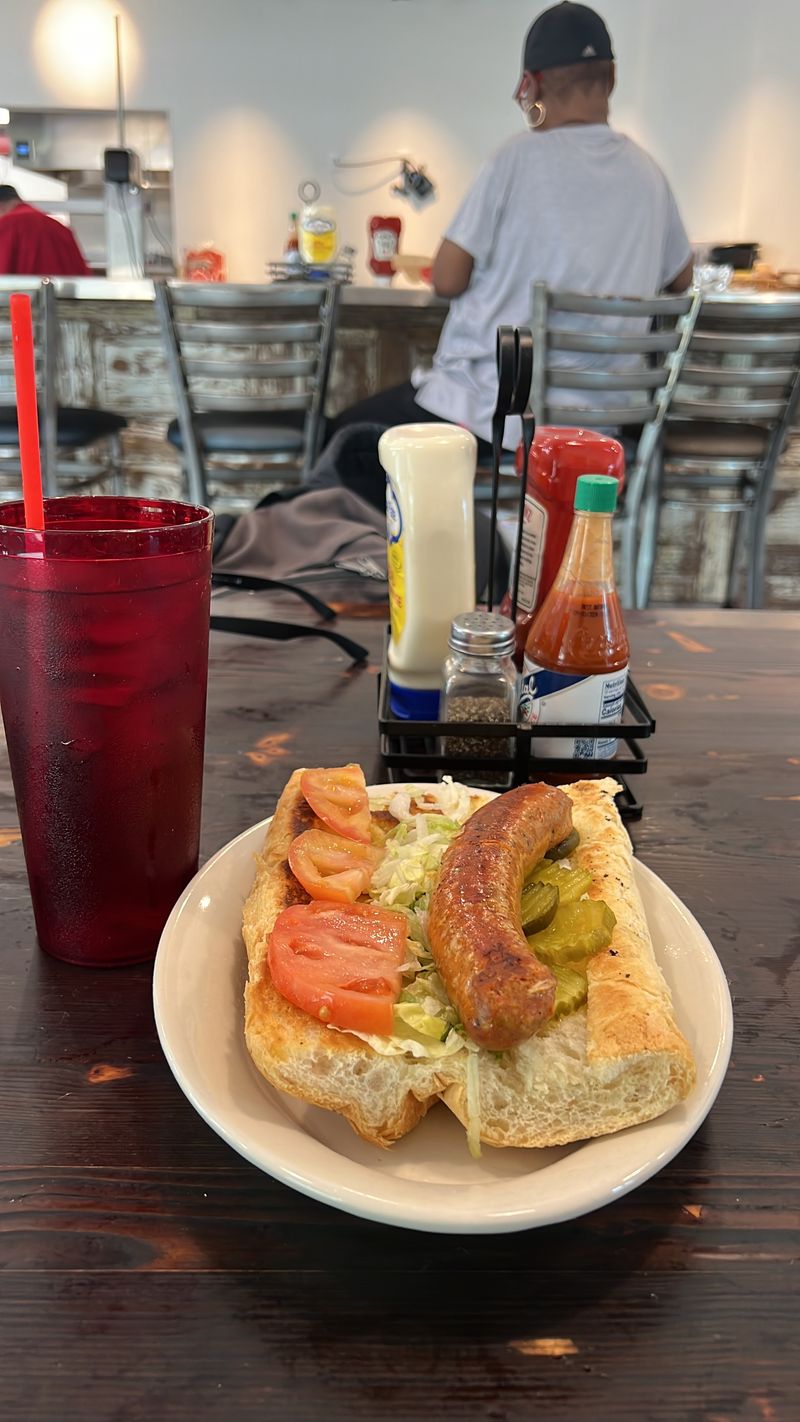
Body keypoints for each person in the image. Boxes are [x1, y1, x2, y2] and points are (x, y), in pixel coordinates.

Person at [327, 2, 693, 451]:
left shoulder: (514, 159)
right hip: (601, 435)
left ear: (531, 85)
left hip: (491, 418)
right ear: (612, 78)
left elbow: (446, 279)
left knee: (343, 439)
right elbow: (682, 279)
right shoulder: (649, 175)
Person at [0, 185, 90, 277]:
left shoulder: (6, 225)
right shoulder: (60, 227)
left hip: (24, 285)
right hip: (62, 285)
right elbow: (82, 272)